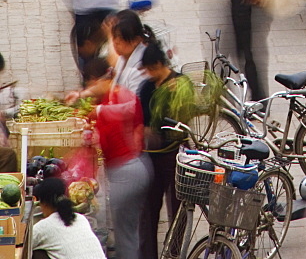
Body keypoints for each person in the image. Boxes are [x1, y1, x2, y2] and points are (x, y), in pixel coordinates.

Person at [85, 61, 150, 259]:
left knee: (126, 238)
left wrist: (99, 113)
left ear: (101, 80)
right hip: (135, 169)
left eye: (91, 84)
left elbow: (130, 110)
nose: (90, 90)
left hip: (127, 174)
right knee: (129, 232)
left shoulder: (118, 98)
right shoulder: (108, 99)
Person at [138, 45, 196, 259]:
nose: (148, 75)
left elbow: (187, 116)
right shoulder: (146, 88)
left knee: (178, 208)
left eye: (150, 69)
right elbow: (141, 118)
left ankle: (174, 252)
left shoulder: (181, 83)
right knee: (149, 210)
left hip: (175, 155)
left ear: (159, 65)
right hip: (151, 156)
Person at [31, 177, 106, 259]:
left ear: (44, 203)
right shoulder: (80, 218)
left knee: (36, 253)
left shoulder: (43, 227)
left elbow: (24, 247)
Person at [110, 10, 153, 94]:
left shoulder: (140, 68)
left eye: (121, 37)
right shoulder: (123, 56)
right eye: (114, 36)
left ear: (136, 40)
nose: (116, 41)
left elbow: (134, 103)